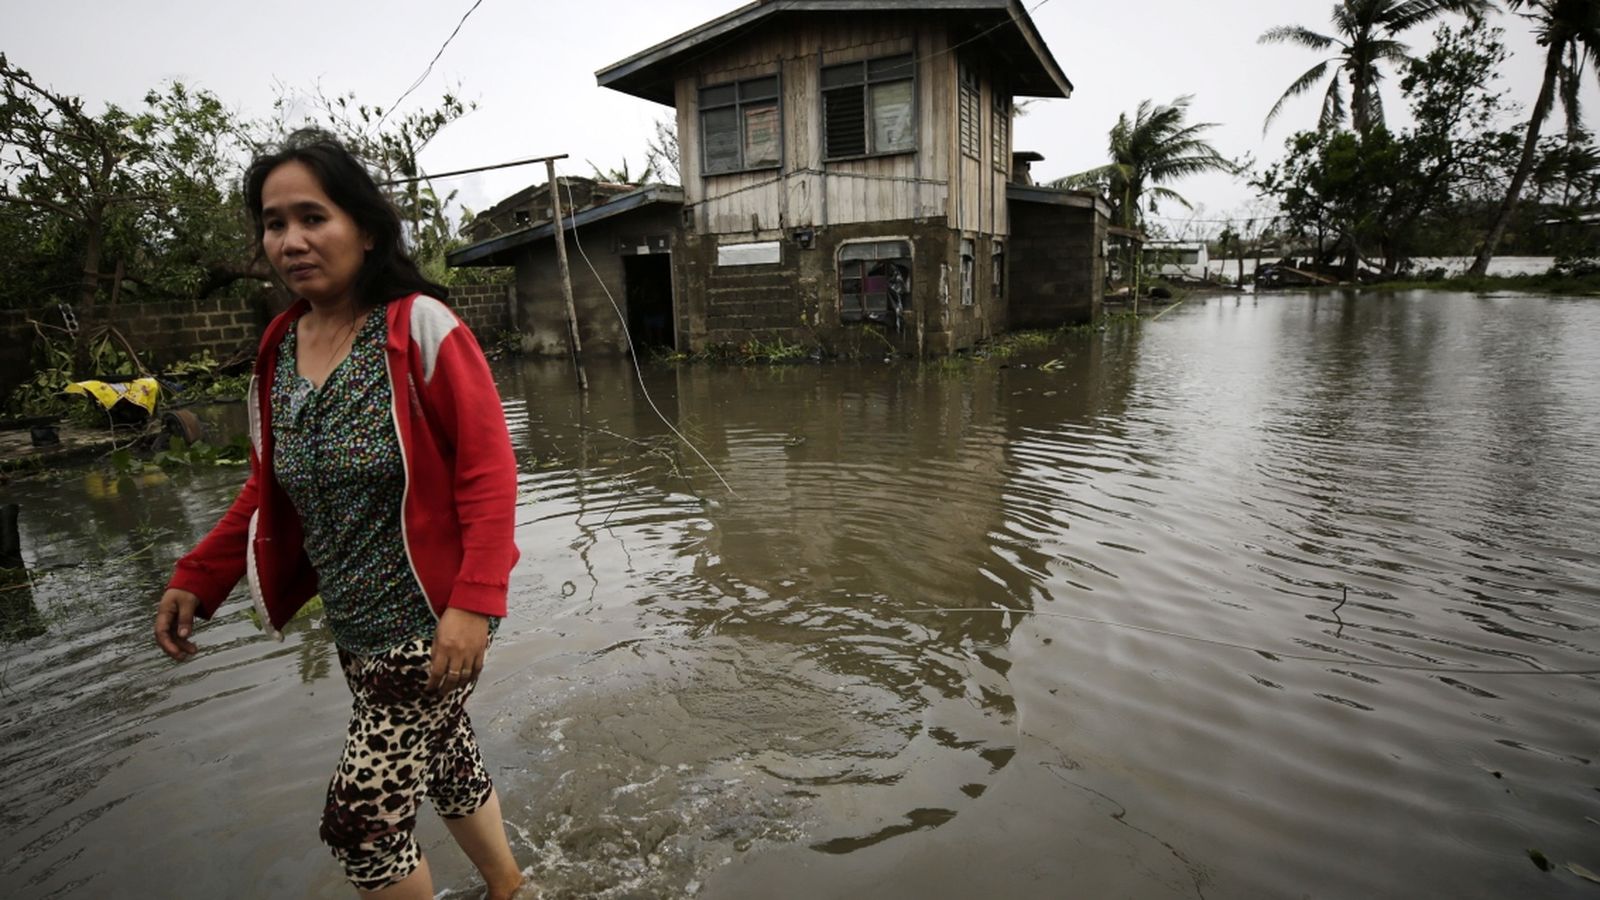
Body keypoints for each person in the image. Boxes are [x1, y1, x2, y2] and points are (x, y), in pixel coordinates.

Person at [154, 129, 525, 900]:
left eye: (312, 217)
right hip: (354, 626)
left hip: (430, 621)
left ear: (364, 226)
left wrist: (473, 604)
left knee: (362, 827)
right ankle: (513, 890)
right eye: (273, 222)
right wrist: (200, 576)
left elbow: (489, 475)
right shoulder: (280, 347)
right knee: (447, 759)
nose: (291, 240)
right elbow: (269, 485)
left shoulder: (420, 328)